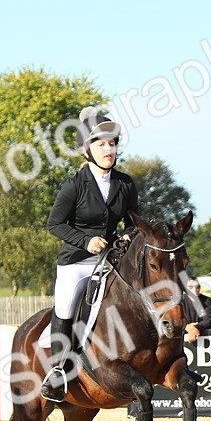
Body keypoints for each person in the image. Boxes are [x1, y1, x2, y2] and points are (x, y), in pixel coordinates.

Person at [42, 106, 139, 402]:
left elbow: (137, 222)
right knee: (68, 303)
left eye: (112, 143)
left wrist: (128, 234)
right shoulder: (74, 186)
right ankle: (58, 370)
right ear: (87, 150)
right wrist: (86, 241)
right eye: (101, 143)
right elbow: (54, 224)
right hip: (76, 261)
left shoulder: (125, 184)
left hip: (110, 261)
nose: (108, 149)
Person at [183, 277, 211, 343]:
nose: (195, 289)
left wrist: (193, 328)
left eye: (197, 287)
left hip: (201, 336)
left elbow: (208, 321)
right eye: (191, 287)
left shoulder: (206, 300)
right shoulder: (181, 301)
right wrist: (187, 328)